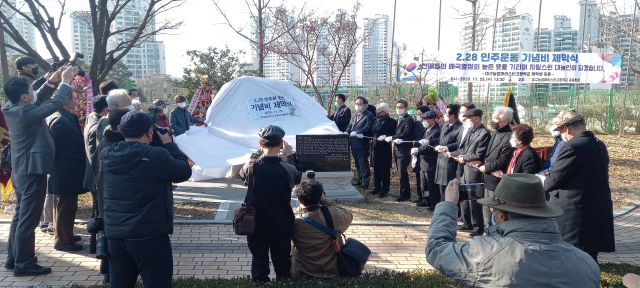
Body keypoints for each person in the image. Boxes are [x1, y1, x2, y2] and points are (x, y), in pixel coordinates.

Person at [426, 174, 601, 287]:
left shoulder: (484, 252)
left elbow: (436, 249)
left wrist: (448, 205)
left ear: (502, 216)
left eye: (494, 211)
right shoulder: (587, 263)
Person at [102, 111, 191, 287]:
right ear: (149, 132)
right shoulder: (155, 156)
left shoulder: (107, 155)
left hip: (116, 234)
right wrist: (169, 145)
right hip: (148, 235)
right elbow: (183, 171)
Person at [2, 66, 77, 276]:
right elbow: (54, 104)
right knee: (28, 220)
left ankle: (13, 258)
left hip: (21, 170)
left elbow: (36, 98)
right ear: (24, 96)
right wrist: (65, 82)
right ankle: (24, 264)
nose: (34, 90)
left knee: (19, 217)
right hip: (31, 171)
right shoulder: (27, 114)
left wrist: (51, 82)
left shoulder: (12, 107)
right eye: (30, 88)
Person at [543, 109, 615, 262]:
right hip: (595, 209)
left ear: (566, 129)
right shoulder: (599, 144)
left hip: (574, 214)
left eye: (561, 131)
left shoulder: (572, 146)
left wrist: (543, 180)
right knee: (589, 256)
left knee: (572, 258)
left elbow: (554, 180)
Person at [239, 125, 302, 283]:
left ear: (261, 143)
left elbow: (243, 177)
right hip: (281, 223)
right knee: (283, 266)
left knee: (259, 265)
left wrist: (257, 155)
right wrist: (290, 154)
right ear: (281, 143)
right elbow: (298, 177)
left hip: (256, 223)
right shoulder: (288, 169)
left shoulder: (250, 167)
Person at [46, 87, 88, 252]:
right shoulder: (61, 121)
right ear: (68, 102)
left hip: (69, 170)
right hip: (65, 171)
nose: (77, 102)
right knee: (65, 207)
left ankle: (66, 234)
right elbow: (54, 148)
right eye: (75, 99)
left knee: (66, 206)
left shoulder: (65, 117)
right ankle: (63, 241)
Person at [91, 108, 128, 284]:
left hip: (105, 199)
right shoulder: (113, 147)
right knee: (112, 240)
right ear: (120, 127)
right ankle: (109, 274)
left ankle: (109, 273)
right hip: (110, 201)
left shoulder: (105, 141)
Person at [291, 180, 353, 278]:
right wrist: (325, 200)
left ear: (299, 200)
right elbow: (348, 215)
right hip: (331, 270)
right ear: (320, 196)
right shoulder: (331, 214)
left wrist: (302, 206)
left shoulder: (294, 221)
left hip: (303, 271)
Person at [448, 108, 490, 237]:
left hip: (474, 170)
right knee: (465, 196)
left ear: (476, 118)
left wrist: (463, 158)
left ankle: (478, 227)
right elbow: (464, 149)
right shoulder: (472, 131)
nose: (465, 120)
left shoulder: (483, 132)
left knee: (475, 199)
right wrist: (450, 153)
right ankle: (467, 223)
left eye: (468, 117)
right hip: (465, 168)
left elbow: (478, 153)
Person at [476, 106, 513, 227]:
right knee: (486, 210)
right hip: (488, 178)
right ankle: (487, 234)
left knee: (494, 213)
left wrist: (486, 167)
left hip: (496, 181)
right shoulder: (496, 131)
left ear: (505, 122)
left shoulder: (508, 136)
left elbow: (503, 160)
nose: (492, 120)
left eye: (495, 118)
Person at [82, 95, 109, 218]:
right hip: (96, 175)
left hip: (92, 173)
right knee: (100, 211)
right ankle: (98, 236)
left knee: (97, 209)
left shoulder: (91, 117)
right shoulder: (99, 126)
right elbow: (98, 154)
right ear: (106, 110)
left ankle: (95, 236)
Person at [384, 99, 414, 202]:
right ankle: (404, 192)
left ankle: (404, 194)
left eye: (401, 107)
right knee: (401, 173)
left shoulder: (408, 119)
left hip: (404, 151)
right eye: (397, 107)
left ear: (406, 108)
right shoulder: (399, 119)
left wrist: (392, 138)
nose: (398, 109)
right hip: (397, 150)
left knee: (402, 173)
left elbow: (406, 133)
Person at [433, 104, 463, 204]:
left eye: (447, 113)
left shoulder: (460, 127)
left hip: (450, 160)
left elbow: (458, 143)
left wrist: (447, 147)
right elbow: (441, 139)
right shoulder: (446, 124)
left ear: (453, 115)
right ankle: (442, 205)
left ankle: (450, 207)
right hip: (440, 159)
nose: (445, 114)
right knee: (440, 186)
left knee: (448, 186)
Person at [345, 96, 374, 189]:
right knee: (357, 163)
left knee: (363, 163)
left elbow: (368, 128)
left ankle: (365, 182)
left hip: (362, 144)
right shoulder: (354, 115)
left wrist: (358, 132)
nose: (358, 106)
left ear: (364, 105)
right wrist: (347, 132)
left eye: (360, 104)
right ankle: (360, 180)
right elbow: (350, 126)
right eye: (356, 104)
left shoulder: (369, 115)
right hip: (353, 143)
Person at [414, 111, 441, 211]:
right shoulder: (427, 130)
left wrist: (418, 150)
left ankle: (434, 203)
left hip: (430, 161)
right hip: (423, 161)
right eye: (423, 119)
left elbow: (432, 146)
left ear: (432, 120)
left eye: (426, 119)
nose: (424, 121)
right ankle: (426, 200)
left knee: (431, 184)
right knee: (424, 182)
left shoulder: (436, 130)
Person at [370, 103, 397, 198]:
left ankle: (385, 189)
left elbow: (395, 134)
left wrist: (388, 137)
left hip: (385, 149)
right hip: (375, 148)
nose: (377, 113)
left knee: (384, 170)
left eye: (379, 112)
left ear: (384, 112)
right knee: (376, 168)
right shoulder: (375, 121)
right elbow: (370, 132)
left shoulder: (392, 122)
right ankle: (376, 187)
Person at [411, 107, 429, 203]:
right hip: (416, 151)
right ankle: (420, 195)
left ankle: (427, 197)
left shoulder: (429, 125)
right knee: (418, 174)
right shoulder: (417, 124)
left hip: (426, 153)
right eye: (417, 114)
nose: (418, 116)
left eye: (420, 114)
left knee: (426, 176)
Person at [455, 102, 476, 179]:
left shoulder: (476, 130)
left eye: (464, 113)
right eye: (461, 113)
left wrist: (464, 157)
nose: (462, 115)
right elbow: (458, 145)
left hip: (470, 168)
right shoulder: (461, 127)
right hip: (459, 166)